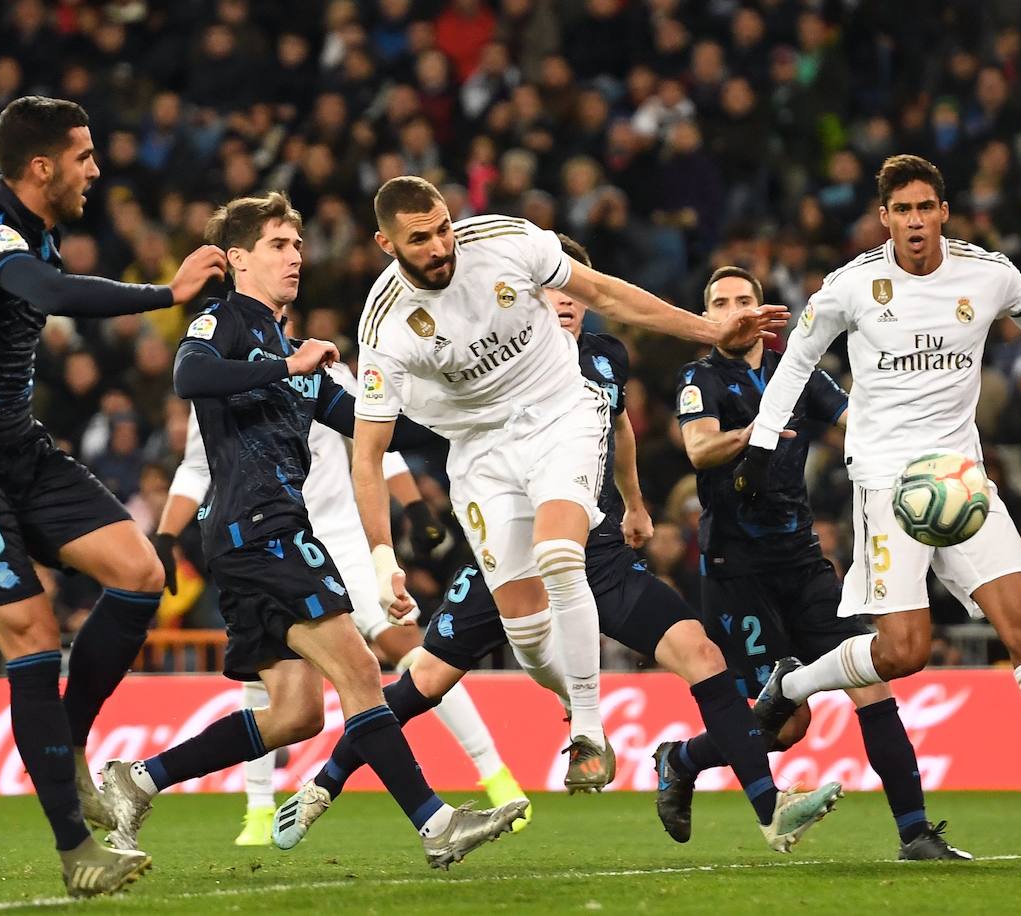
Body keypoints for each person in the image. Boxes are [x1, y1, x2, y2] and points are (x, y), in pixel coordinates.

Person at [274, 235, 840, 854]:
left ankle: (767, 806)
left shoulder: (606, 358)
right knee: (424, 679)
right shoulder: (496, 368)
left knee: (701, 654)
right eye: (552, 290)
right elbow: (409, 422)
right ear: (524, 300)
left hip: (595, 549)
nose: (564, 301)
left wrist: (634, 502)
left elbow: (619, 424)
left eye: (574, 293)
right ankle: (322, 785)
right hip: (512, 556)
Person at [736, 154, 1021, 842]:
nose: (916, 220)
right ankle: (792, 686)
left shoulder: (987, 275)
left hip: (960, 480)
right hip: (889, 483)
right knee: (903, 651)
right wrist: (763, 444)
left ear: (944, 213)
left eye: (927, 207)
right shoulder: (851, 286)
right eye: (903, 210)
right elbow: (798, 357)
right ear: (884, 218)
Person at [97, 191, 525, 870]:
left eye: (297, 245)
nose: (294, 256)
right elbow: (190, 373)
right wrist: (286, 368)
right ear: (237, 259)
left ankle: (136, 779)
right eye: (277, 244)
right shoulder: (227, 320)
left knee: (296, 714)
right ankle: (436, 823)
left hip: (260, 538)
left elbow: (369, 423)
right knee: (360, 669)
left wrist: (469, 405)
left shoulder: (293, 351)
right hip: (258, 530)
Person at [0, 96, 227, 898]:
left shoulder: (33, 227)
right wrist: (167, 295)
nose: (96, 172)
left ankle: (68, 742)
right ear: (41, 167)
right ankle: (77, 850)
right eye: (84, 157)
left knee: (142, 571)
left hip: (17, 446)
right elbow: (52, 290)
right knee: (33, 626)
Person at [349, 176, 786, 791]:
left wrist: (710, 331)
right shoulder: (386, 326)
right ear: (385, 244)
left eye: (444, 227)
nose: (440, 246)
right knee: (526, 632)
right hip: (480, 451)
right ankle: (568, 700)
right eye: (420, 239)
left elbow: (608, 292)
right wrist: (381, 557)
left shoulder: (506, 242)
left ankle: (587, 727)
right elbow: (368, 455)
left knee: (560, 553)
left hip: (561, 412)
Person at [670, 265, 969, 860]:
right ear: (708, 318)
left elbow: (855, 420)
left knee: (871, 683)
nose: (734, 311)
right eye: (721, 303)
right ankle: (681, 759)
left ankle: (915, 834)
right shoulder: (699, 378)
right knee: (787, 726)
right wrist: (761, 428)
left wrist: (920, 448)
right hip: (738, 571)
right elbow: (699, 447)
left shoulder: (796, 368)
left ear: (762, 309)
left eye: (744, 300)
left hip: (804, 563)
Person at [158, 388, 527, 846]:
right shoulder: (218, 384)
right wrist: (166, 536)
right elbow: (196, 467)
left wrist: (412, 506)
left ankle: (493, 773)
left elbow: (376, 440)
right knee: (272, 683)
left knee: (411, 653)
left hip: (343, 540)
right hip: (272, 542)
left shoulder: (324, 372)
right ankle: (257, 808)